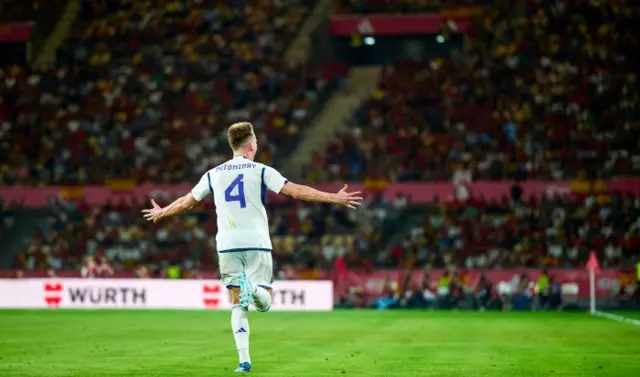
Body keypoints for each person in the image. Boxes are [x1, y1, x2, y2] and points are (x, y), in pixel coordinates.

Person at [141, 122, 363, 373]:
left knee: (237, 303)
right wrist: (334, 197)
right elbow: (297, 192)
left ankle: (243, 362)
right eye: (256, 140)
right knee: (264, 303)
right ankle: (254, 288)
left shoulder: (213, 174)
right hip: (256, 243)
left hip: (227, 245)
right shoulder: (261, 171)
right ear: (250, 145)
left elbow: (186, 203)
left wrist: (162, 212)